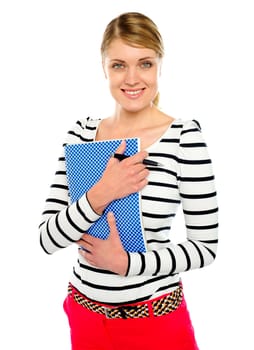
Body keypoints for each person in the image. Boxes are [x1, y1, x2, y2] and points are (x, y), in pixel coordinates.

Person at [39, 11, 218, 350]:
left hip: (156, 322)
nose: (132, 78)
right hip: (86, 317)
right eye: (119, 65)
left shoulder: (184, 138)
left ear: (160, 65)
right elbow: (47, 239)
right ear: (104, 67)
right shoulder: (81, 135)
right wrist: (101, 193)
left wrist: (126, 264)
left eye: (145, 63)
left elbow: (205, 248)